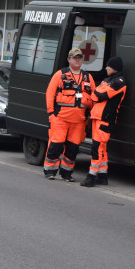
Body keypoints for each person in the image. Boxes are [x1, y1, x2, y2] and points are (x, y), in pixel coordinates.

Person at [44, 46, 93, 181]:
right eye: (75, 58)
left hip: (79, 121)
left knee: (73, 148)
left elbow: (94, 98)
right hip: (60, 118)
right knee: (56, 145)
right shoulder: (60, 74)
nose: (77, 60)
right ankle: (50, 171)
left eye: (79, 58)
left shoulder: (88, 77)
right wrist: (51, 113)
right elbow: (50, 93)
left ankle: (66, 173)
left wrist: (89, 116)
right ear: (69, 59)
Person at [81, 55, 127, 187]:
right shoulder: (108, 80)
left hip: (105, 119)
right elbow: (96, 94)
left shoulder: (120, 82)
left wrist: (97, 93)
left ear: (114, 68)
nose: (106, 68)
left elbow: (101, 95)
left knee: (97, 148)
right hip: (97, 117)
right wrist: (97, 93)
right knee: (102, 148)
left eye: (108, 66)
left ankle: (91, 177)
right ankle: (102, 176)